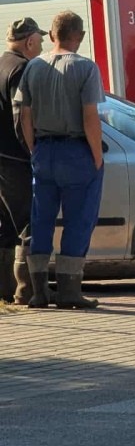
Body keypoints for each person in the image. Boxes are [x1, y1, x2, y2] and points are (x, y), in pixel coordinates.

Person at [14, 11, 105, 310]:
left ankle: (39, 292)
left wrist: (34, 149)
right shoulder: (86, 68)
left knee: (41, 221)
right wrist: (96, 156)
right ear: (79, 36)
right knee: (78, 220)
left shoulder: (34, 67)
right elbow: (90, 117)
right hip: (76, 151)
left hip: (44, 151)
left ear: (52, 35)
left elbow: (24, 115)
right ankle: (68, 291)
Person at [0, 18, 45, 304]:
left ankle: (3, 290)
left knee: (4, 225)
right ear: (29, 41)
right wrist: (31, 149)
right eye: (40, 41)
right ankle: (26, 290)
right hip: (15, 159)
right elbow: (22, 114)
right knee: (28, 223)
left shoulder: (1, 63)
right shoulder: (22, 68)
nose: (42, 46)